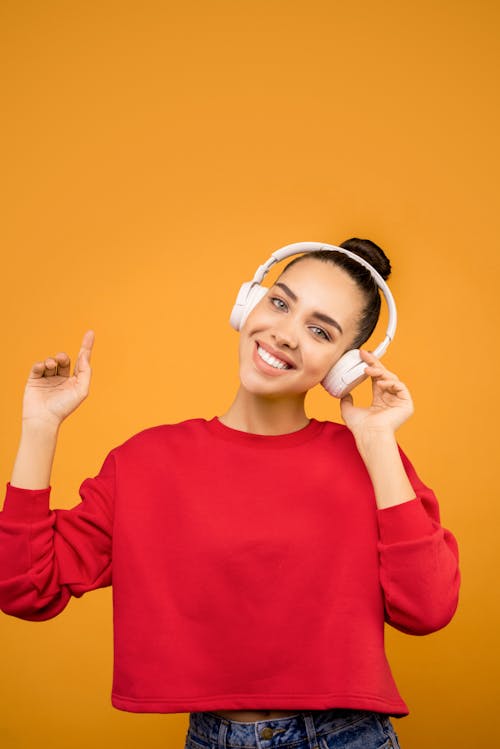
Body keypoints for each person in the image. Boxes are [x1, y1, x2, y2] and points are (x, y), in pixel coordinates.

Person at [0, 238, 460, 749]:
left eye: (319, 330)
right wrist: (40, 427)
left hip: (344, 737)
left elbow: (428, 609)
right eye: (280, 303)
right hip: (210, 737)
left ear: (344, 365)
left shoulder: (371, 461)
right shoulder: (144, 463)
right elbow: (25, 589)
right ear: (248, 305)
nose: (286, 334)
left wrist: (377, 441)